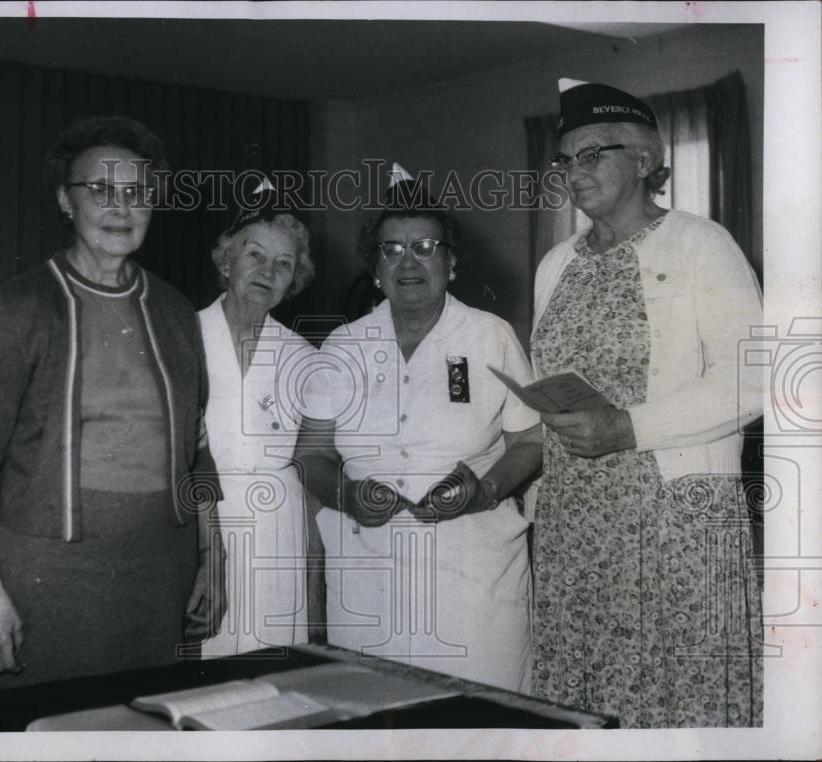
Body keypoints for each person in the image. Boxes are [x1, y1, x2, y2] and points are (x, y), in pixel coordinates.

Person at [0, 116, 223, 687]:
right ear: (64, 201)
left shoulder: (175, 312)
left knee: (149, 725)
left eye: (136, 192)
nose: (119, 207)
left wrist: (212, 558)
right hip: (50, 571)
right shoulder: (20, 305)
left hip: (159, 567)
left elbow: (198, 457)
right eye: (99, 189)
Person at [530, 79, 763, 727]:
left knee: (671, 699)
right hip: (575, 525)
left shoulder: (699, 243)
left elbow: (753, 377)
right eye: (565, 159)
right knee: (586, 703)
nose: (575, 173)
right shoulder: (556, 264)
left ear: (643, 160)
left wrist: (628, 427)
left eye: (593, 154)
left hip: (672, 519)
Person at [296, 166, 543, 691]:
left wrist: (487, 490)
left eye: (425, 247)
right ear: (376, 268)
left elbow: (532, 437)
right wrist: (345, 492)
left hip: (473, 573)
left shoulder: (490, 335)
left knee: (481, 722)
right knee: (376, 720)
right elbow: (312, 454)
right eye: (391, 250)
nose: (407, 262)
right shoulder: (343, 346)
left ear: (451, 263)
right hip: (367, 572)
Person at [197, 180, 317, 657]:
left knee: (273, 673)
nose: (268, 271)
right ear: (226, 261)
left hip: (276, 530)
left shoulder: (304, 357)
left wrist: (313, 573)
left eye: (283, 264)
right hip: (203, 523)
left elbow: (313, 469)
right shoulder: (181, 336)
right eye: (255, 255)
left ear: (295, 280)